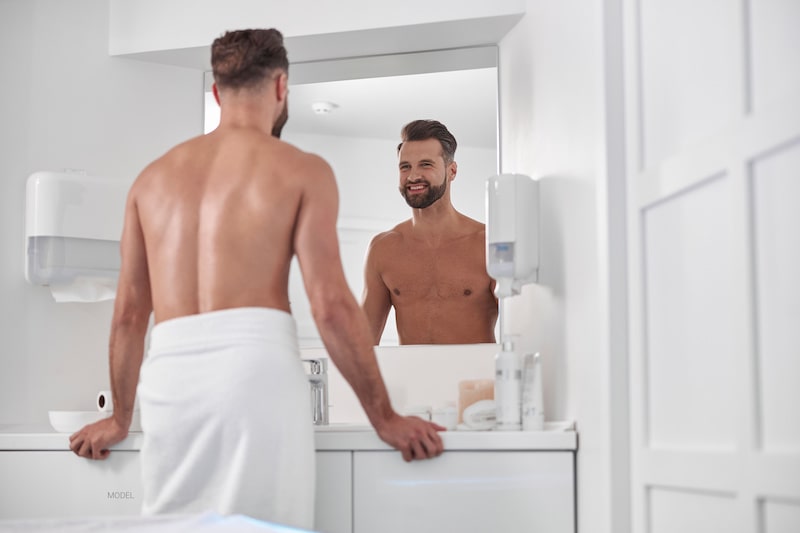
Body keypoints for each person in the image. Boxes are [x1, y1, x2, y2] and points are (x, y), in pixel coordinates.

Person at [68, 29, 444, 529]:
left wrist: (119, 417)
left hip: (170, 379)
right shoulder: (301, 170)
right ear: (281, 86)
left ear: (218, 92)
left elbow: (130, 314)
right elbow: (331, 306)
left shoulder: (152, 179)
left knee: (176, 524)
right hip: (254, 372)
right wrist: (386, 419)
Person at [361, 120, 498, 345]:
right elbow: (363, 345)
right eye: (405, 166)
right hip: (411, 379)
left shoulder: (487, 243)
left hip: (474, 379)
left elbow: (520, 330)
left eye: (425, 164)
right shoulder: (383, 249)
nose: (413, 176)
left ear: (451, 170)